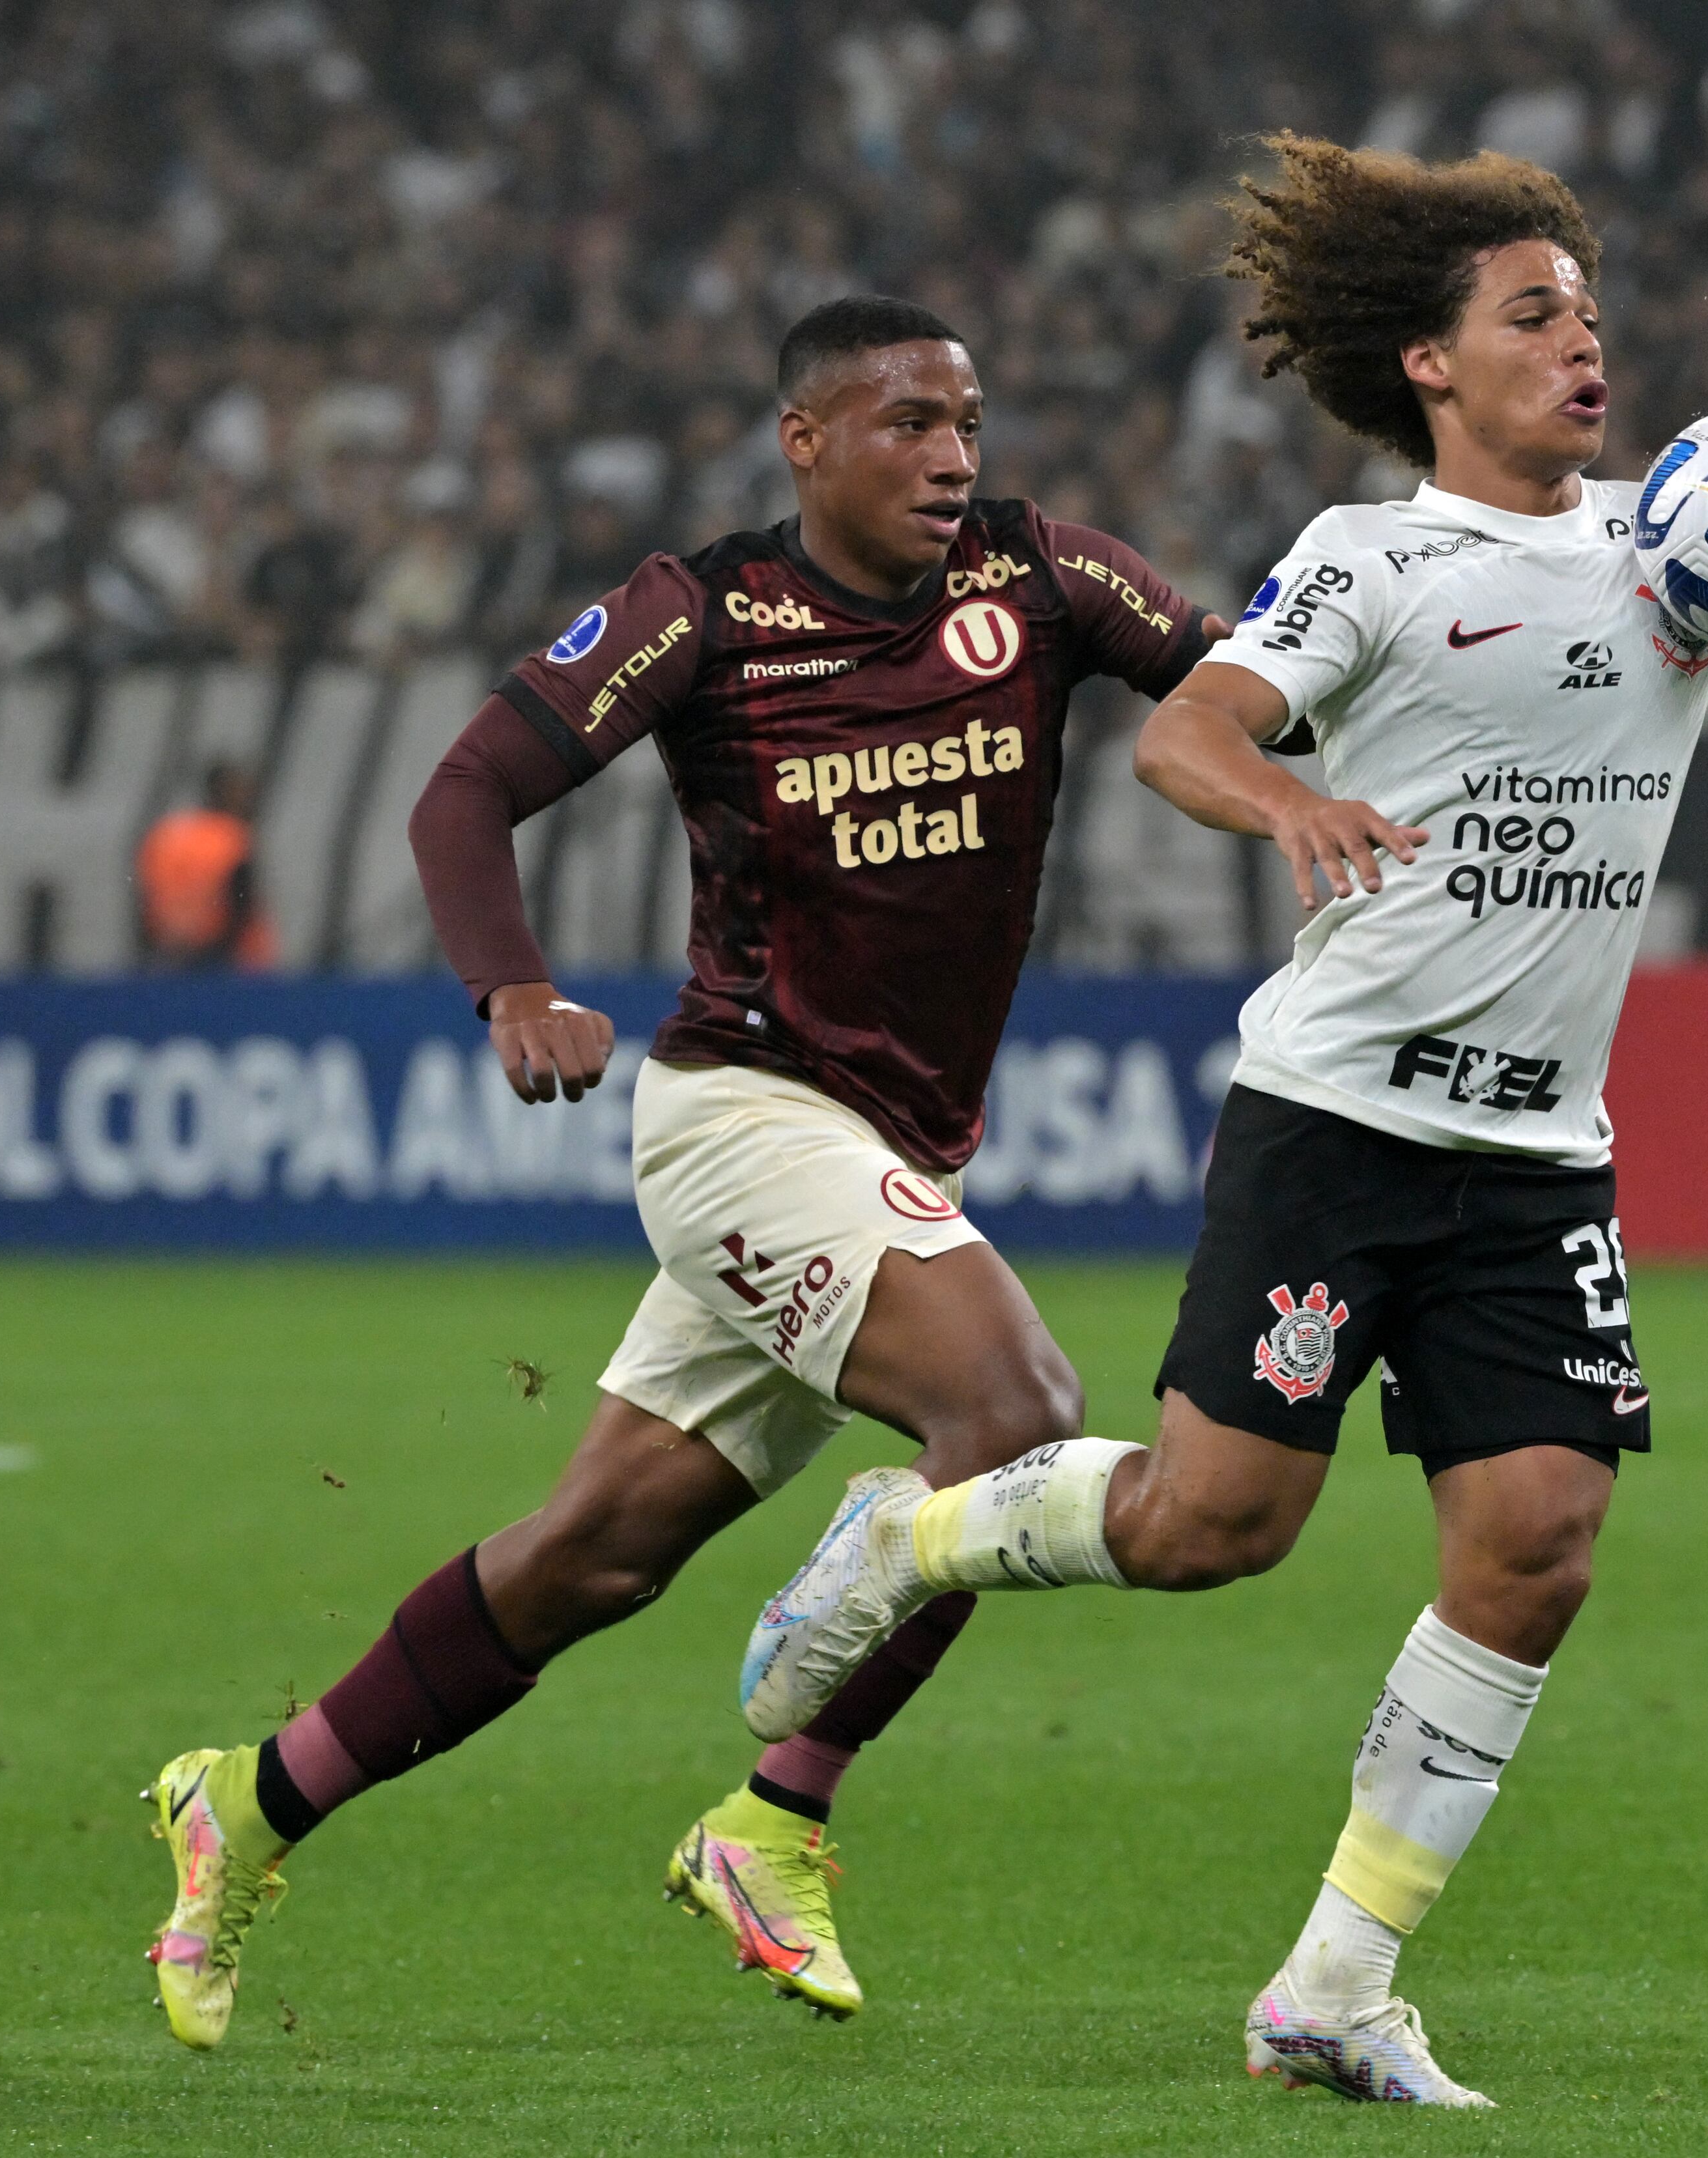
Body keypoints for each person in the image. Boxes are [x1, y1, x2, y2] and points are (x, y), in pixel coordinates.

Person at [733, 138, 1708, 2107]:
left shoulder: (1691, 552)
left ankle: (1334, 1987)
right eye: (1531, 316)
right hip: (1337, 1122)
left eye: (1588, 315)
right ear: (1432, 365)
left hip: (1537, 1156)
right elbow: (1193, 729)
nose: (1579, 344)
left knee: (1536, 1537)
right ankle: (907, 1540)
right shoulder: (1376, 561)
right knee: (1212, 1529)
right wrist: (1290, 805)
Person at [135, 296, 1219, 2048]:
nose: (952, 457)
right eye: (905, 423)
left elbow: (1247, 682)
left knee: (593, 1559)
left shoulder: (1046, 581)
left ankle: (246, 1805)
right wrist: (514, 985)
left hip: (885, 1143)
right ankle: (776, 1813)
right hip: (742, 1117)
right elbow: (465, 791)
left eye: (968, 421)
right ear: (805, 441)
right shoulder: (704, 613)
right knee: (1014, 1412)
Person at [135, 761, 276, 970]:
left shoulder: (166, 834)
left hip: (167, 953)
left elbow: (144, 897)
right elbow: (240, 902)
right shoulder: (232, 838)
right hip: (223, 957)